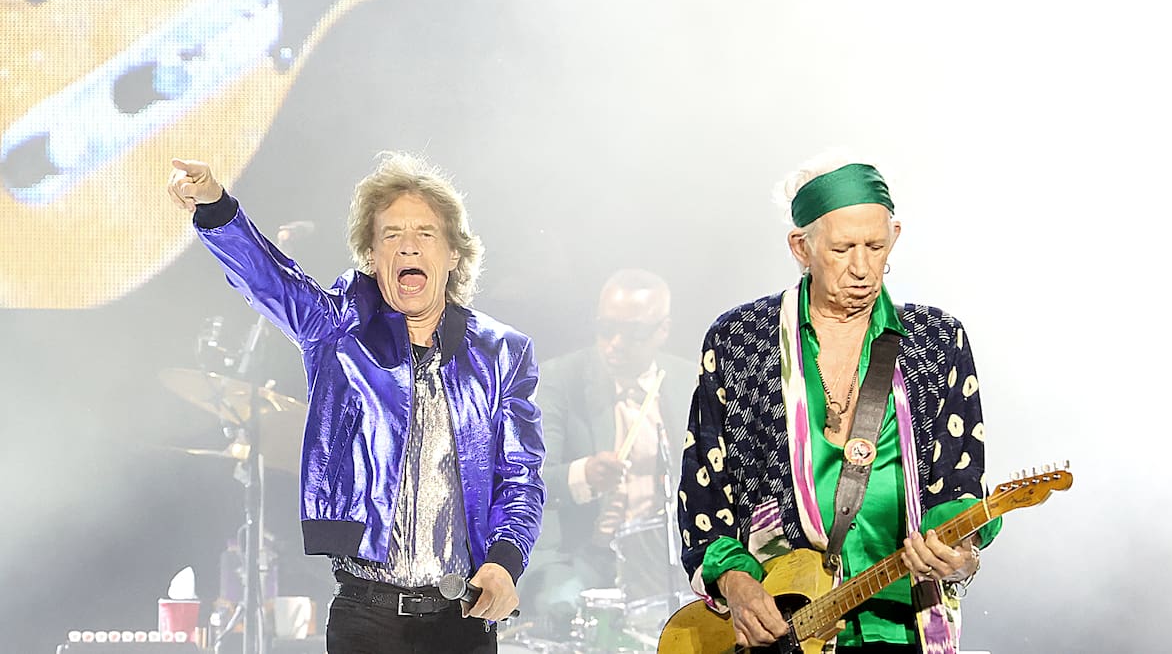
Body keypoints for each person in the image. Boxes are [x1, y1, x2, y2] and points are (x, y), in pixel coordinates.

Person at [166, 153, 545, 654]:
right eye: (391, 234)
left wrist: (504, 561)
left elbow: (520, 477)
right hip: (366, 616)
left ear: (454, 254)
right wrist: (216, 207)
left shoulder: (502, 352)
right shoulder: (339, 331)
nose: (408, 245)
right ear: (370, 255)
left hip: (461, 617)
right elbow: (269, 279)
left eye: (425, 233)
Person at [677, 152, 1001, 653]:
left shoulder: (937, 341)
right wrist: (737, 585)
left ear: (895, 236)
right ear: (800, 247)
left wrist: (961, 554)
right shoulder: (740, 341)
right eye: (842, 248)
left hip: (903, 630)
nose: (863, 268)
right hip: (782, 632)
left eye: (876, 246)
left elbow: (959, 490)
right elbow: (705, 498)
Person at [522, 269, 695, 638]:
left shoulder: (687, 382)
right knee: (562, 606)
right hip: (583, 557)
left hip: (668, 561)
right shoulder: (560, 380)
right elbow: (529, 479)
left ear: (662, 330)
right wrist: (584, 475)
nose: (615, 342)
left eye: (633, 332)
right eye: (606, 328)